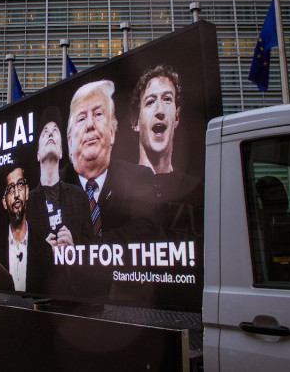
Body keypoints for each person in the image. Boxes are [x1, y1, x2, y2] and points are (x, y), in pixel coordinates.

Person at [61, 80, 153, 243]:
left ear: (112, 133)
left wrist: (81, 249)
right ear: (69, 142)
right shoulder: (53, 189)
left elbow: (145, 231)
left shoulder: (138, 178)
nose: (90, 124)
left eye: (98, 114)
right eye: (81, 118)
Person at [129, 65, 203, 239]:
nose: (160, 111)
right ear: (135, 121)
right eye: (150, 102)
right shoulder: (117, 191)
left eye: (167, 99)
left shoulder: (197, 191)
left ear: (176, 117)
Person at [25, 106, 93, 294]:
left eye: (55, 130)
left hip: (76, 297)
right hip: (40, 297)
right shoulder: (27, 204)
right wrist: (44, 254)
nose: (50, 133)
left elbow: (92, 255)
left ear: (62, 151)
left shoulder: (79, 196)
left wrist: (73, 251)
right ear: (38, 154)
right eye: (45, 132)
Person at [0, 165, 45, 292]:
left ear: (26, 192)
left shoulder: (44, 250)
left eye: (20, 185)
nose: (17, 194)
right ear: (4, 202)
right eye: (11, 188)